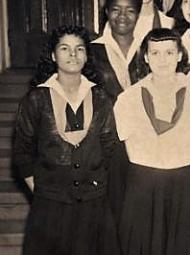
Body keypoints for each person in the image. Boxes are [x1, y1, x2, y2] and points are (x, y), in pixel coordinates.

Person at [13, 26, 119, 255]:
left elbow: (110, 148)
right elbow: (22, 153)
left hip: (95, 204)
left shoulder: (101, 97)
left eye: (79, 48)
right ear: (53, 55)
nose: (73, 54)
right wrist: (44, 190)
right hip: (50, 205)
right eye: (65, 48)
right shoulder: (36, 99)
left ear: (87, 56)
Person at [114, 28, 190, 255]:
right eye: (155, 53)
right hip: (143, 186)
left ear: (179, 55)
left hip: (185, 186)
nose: (162, 60)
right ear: (145, 57)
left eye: (168, 53)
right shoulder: (128, 98)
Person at [90, 0, 143, 226]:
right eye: (116, 9)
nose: (122, 16)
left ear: (138, 13)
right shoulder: (92, 51)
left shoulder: (148, 49)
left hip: (145, 139)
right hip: (108, 143)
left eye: (130, 10)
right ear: (106, 11)